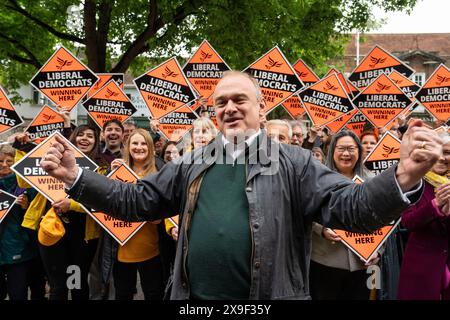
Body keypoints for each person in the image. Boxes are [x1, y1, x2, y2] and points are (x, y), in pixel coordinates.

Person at [41, 71, 442, 300]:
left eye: (239, 100)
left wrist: (404, 175)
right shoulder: (193, 161)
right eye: (220, 103)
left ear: (261, 108)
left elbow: (352, 208)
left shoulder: (295, 162)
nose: (229, 108)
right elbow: (137, 200)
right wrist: (76, 177)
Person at [30, 125, 108, 300]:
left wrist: (71, 204)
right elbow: (23, 181)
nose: (85, 138)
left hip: (82, 236)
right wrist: (22, 150)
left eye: (90, 136)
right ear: (73, 139)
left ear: (96, 141)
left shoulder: (101, 167)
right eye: (80, 135)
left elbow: (101, 202)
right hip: (54, 232)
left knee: (77, 283)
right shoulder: (54, 159)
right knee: (58, 286)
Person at [104, 129, 173, 300]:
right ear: (128, 147)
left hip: (152, 249)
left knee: (154, 293)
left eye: (144, 143)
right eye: (135, 143)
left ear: (150, 147)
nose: (139, 147)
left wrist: (159, 215)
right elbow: (104, 203)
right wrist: (109, 178)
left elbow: (169, 207)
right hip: (121, 249)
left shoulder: (160, 172)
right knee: (123, 293)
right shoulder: (117, 171)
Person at [309, 130, 379, 300]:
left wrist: (378, 251)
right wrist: (321, 229)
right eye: (341, 148)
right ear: (332, 150)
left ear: (359, 151)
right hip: (325, 261)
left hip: (362, 264)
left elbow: (385, 220)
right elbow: (305, 211)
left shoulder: (373, 180)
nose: (346, 154)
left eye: (351, 148)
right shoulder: (316, 179)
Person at [398, 134, 450, 300]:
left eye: (447, 152)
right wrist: (435, 206)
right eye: (438, 152)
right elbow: (408, 221)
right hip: (421, 264)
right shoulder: (413, 182)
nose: (442, 158)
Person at [0, 147, 37, 300]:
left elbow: (37, 211)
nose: (4, 164)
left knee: (18, 292)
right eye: (0, 161)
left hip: (18, 247)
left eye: (9, 161)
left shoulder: (26, 184)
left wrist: (26, 206)